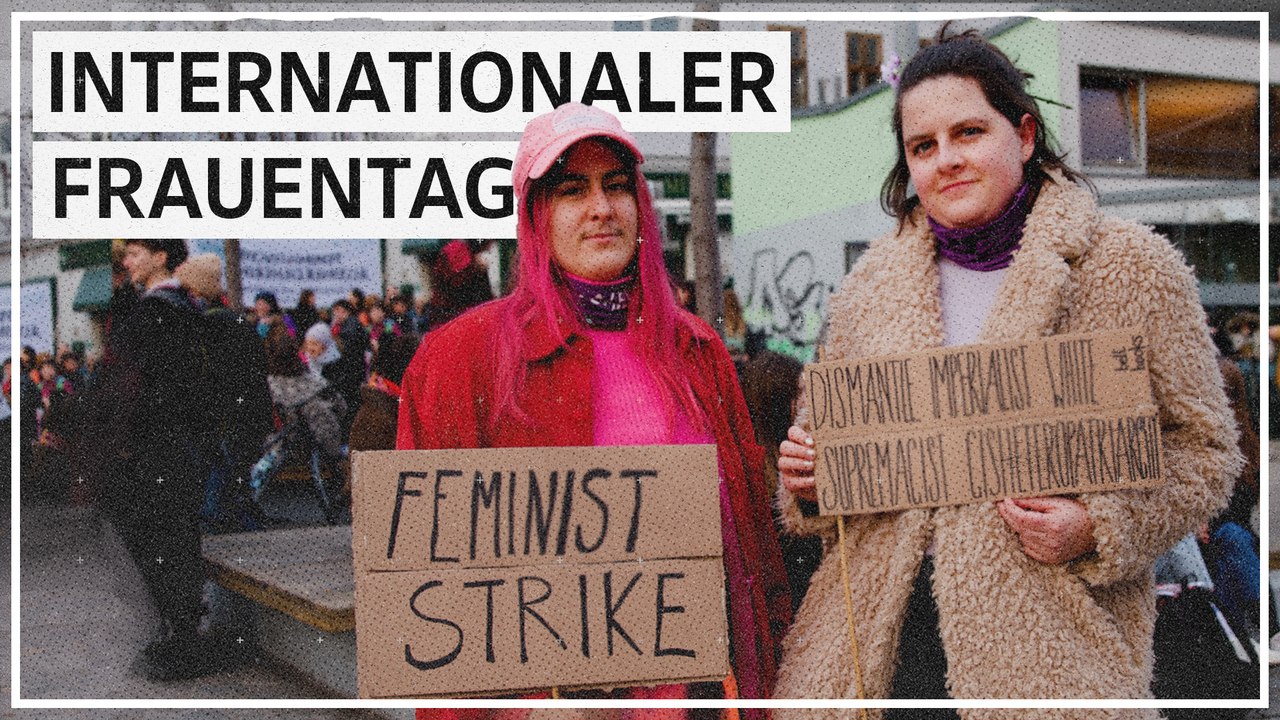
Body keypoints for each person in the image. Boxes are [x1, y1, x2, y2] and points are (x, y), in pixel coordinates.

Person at [773, 26, 1241, 716]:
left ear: (1022, 135)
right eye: (923, 147)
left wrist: (1098, 525)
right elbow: (826, 455)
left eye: (968, 132)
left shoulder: (1129, 268)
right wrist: (808, 478)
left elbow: (1207, 450)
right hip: (874, 660)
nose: (948, 161)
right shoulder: (870, 285)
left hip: (1047, 661)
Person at [397, 102, 791, 713]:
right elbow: (435, 591)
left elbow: (753, 556)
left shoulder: (698, 349)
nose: (601, 208)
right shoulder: (459, 359)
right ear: (536, 214)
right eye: (570, 189)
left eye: (615, 185)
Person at [78, 238, 227, 681]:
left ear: (161, 256)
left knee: (162, 540)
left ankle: (182, 641)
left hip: (154, 445)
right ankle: (180, 634)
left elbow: (136, 385)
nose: (127, 261)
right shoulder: (180, 308)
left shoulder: (155, 312)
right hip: (174, 444)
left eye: (135, 252)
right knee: (171, 539)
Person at [175, 253, 275, 532]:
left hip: (225, 416)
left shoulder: (206, 325)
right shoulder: (238, 322)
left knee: (220, 480)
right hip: (247, 411)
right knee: (233, 478)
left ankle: (225, 523)